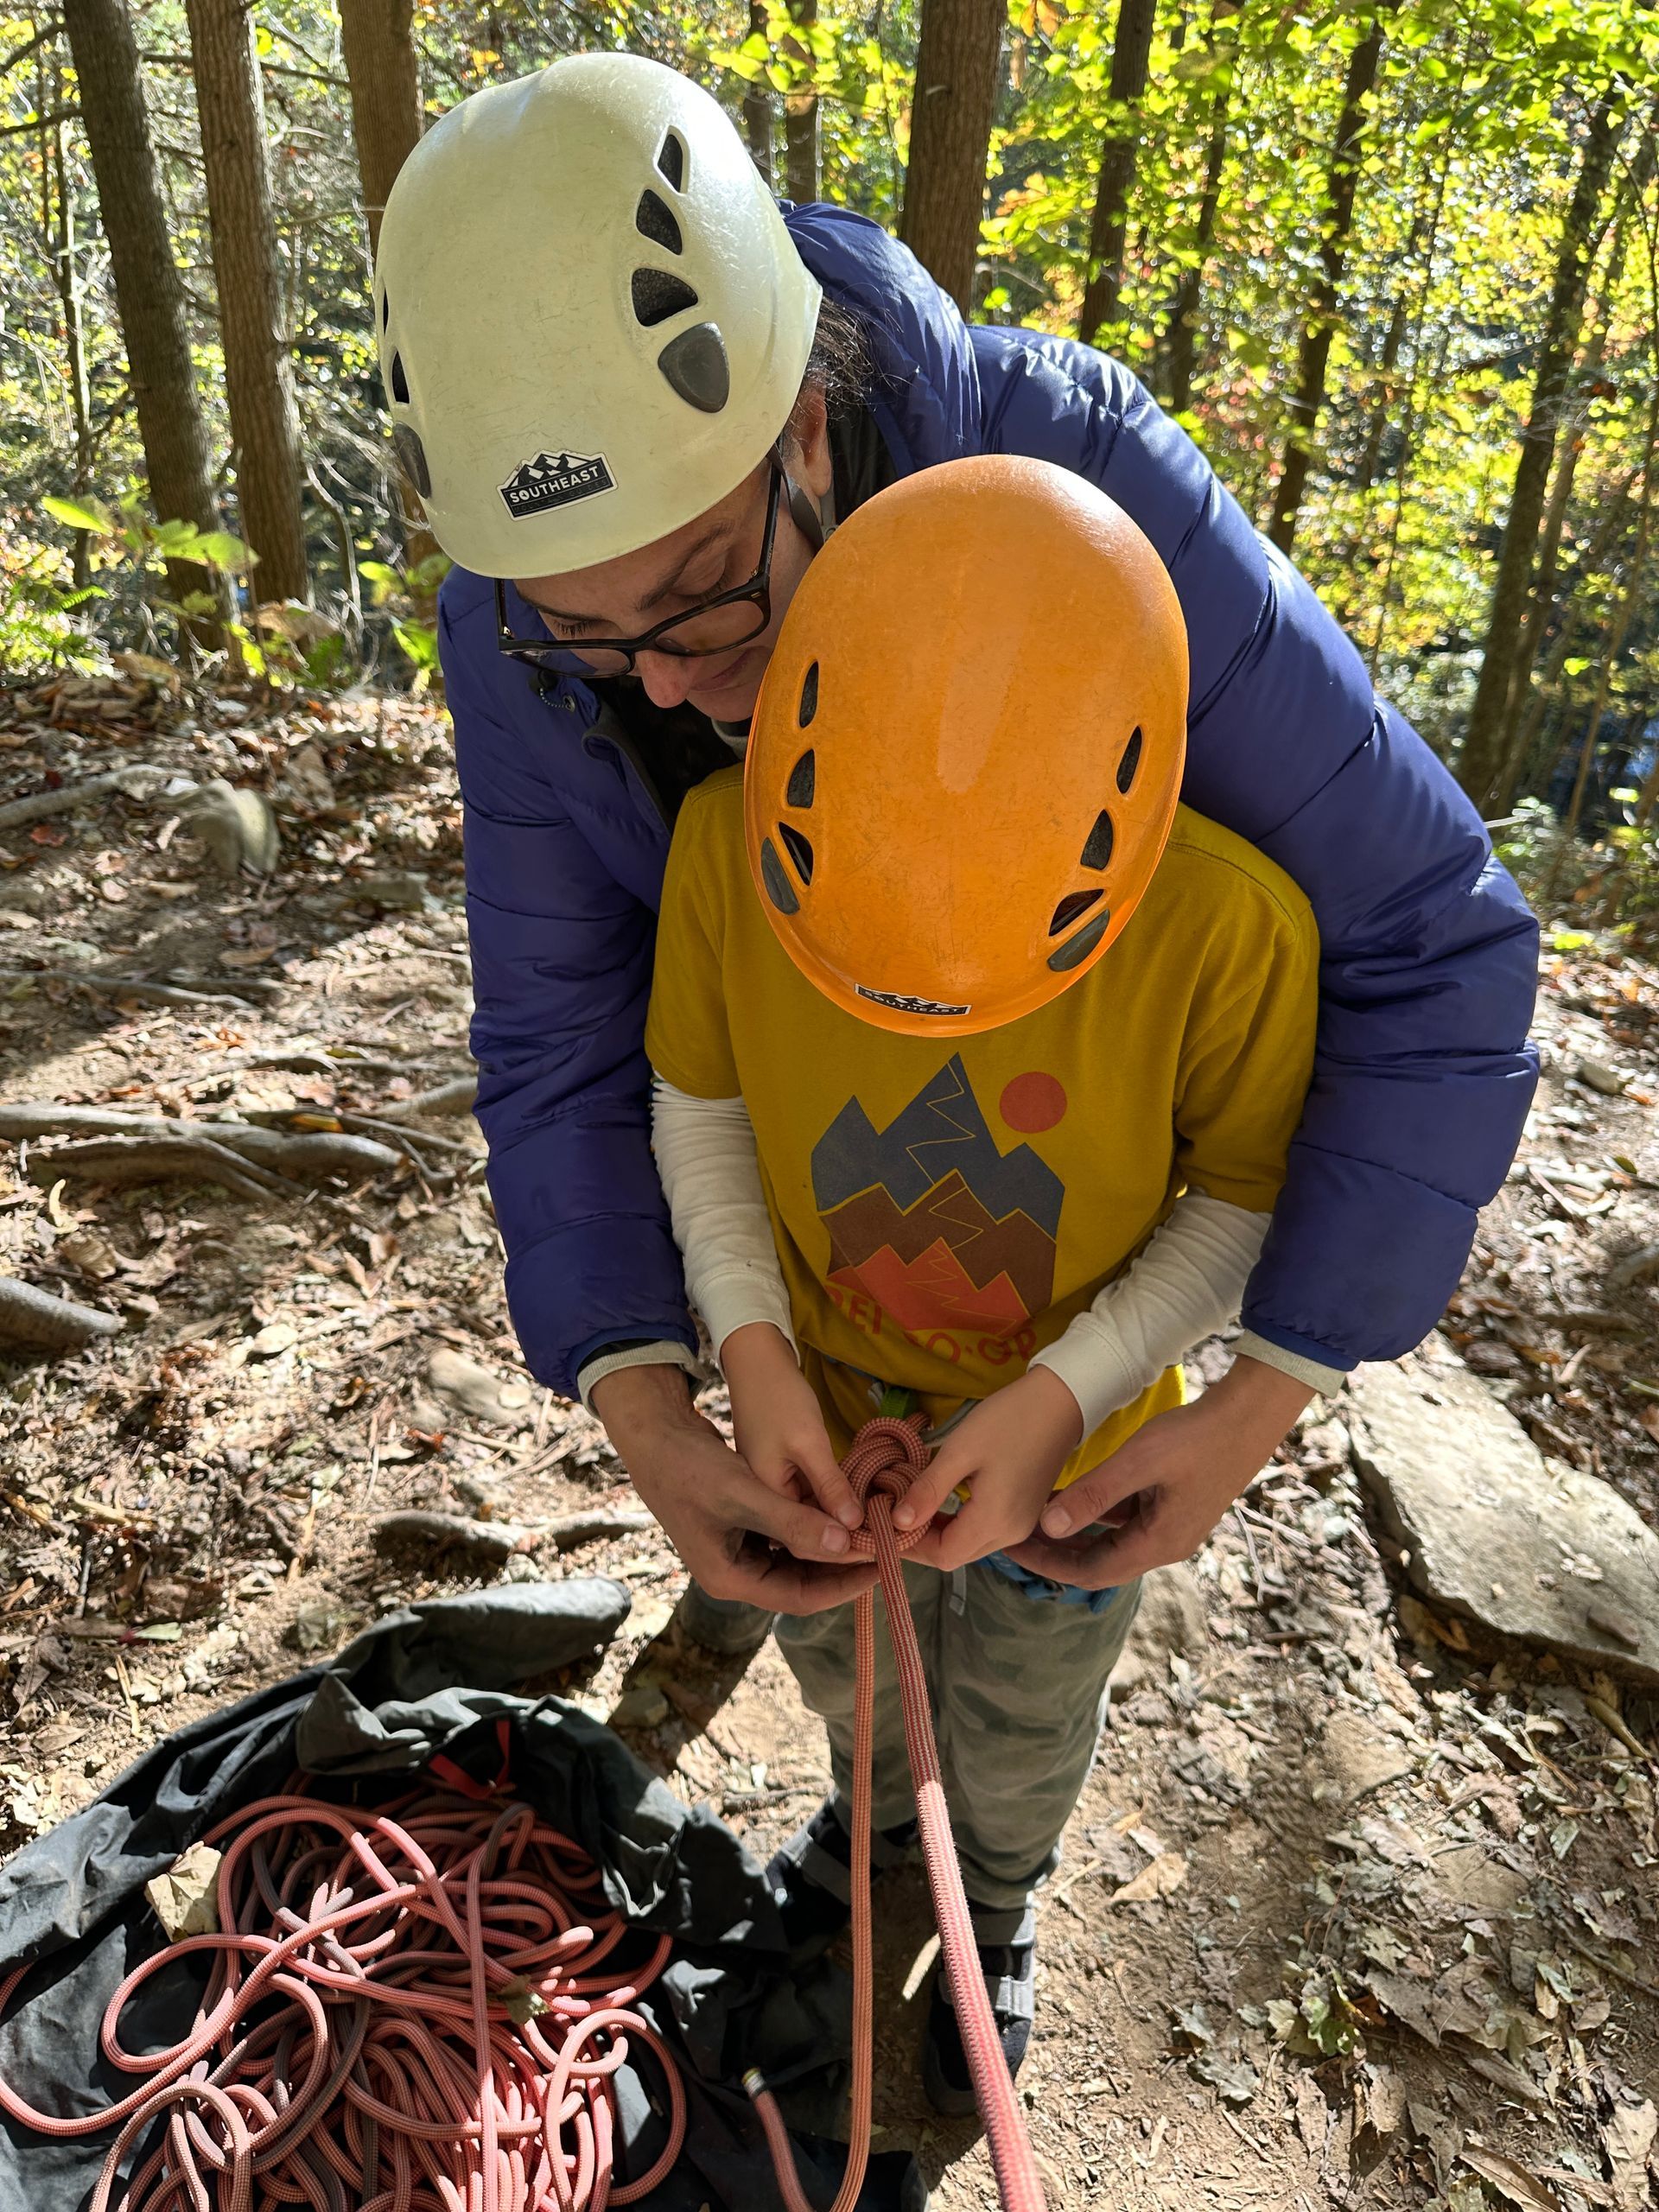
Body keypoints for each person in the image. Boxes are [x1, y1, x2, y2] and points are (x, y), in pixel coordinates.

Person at [372, 52, 1538, 1624]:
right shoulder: (515, 633)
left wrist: (1264, 1391)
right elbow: (564, 1029)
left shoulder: (1086, 508)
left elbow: (1435, 940)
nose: (660, 681)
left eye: (705, 592)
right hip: (810, 1286)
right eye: (583, 630)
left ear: (801, 429)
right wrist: (648, 1396)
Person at [644, 451, 1319, 2107]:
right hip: (827, 1403)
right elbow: (707, 1108)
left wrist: (1060, 1399)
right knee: (845, 1656)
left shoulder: (1230, 933)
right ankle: (872, 1833)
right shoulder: (726, 847)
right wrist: (753, 1354)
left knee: (1024, 1704)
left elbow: (1240, 1200)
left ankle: (991, 1906)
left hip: (1079, 1451)